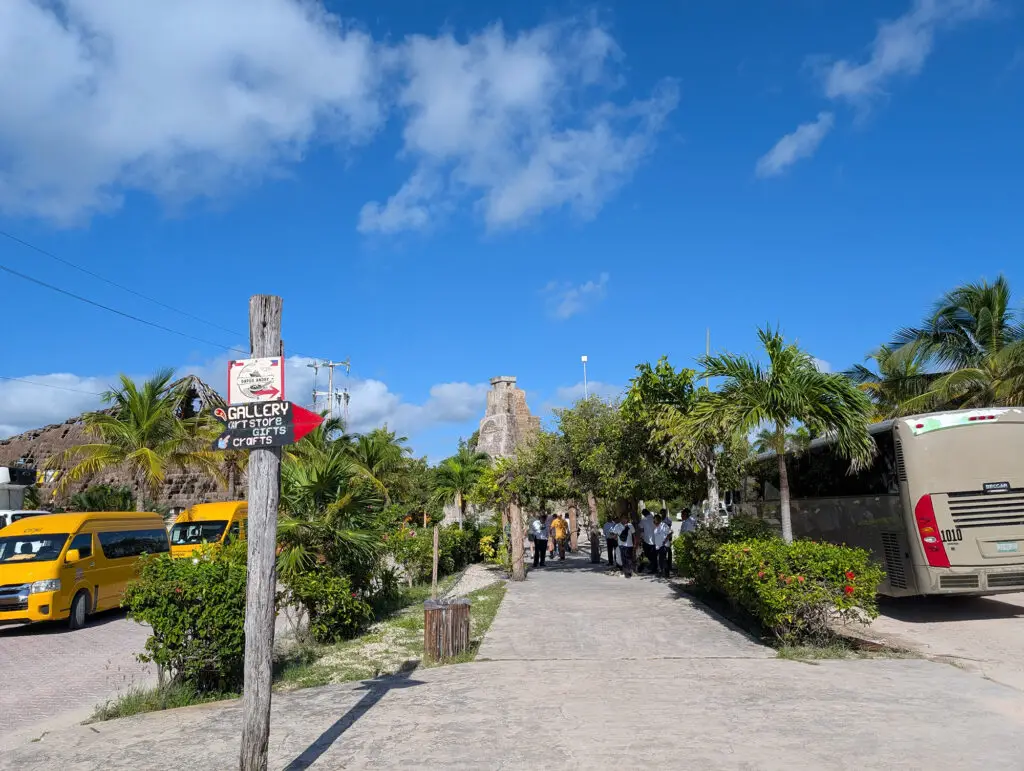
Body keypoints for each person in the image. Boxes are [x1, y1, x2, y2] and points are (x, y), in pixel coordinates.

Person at [615, 514, 635, 578]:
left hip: (629, 544)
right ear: (621, 519)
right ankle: (626, 572)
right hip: (621, 545)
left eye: (625, 518)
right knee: (623, 559)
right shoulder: (617, 526)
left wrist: (635, 543)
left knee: (629, 558)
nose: (624, 519)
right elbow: (614, 535)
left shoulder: (630, 525)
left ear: (627, 519)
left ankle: (629, 571)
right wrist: (615, 538)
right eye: (623, 518)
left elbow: (634, 535)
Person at [653, 513, 672, 578]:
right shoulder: (656, 527)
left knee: (662, 559)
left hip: (664, 545)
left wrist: (665, 540)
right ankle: (663, 572)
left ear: (659, 519)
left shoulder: (664, 525)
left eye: (655, 519)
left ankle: (665, 573)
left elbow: (670, 533)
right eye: (654, 519)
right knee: (661, 560)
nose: (654, 521)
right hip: (658, 546)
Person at [639, 508, 656, 573]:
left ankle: (646, 567)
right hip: (654, 540)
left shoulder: (643, 520)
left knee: (646, 554)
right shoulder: (654, 518)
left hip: (646, 540)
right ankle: (654, 568)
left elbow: (641, 529)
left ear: (643, 514)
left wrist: (641, 537)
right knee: (654, 555)